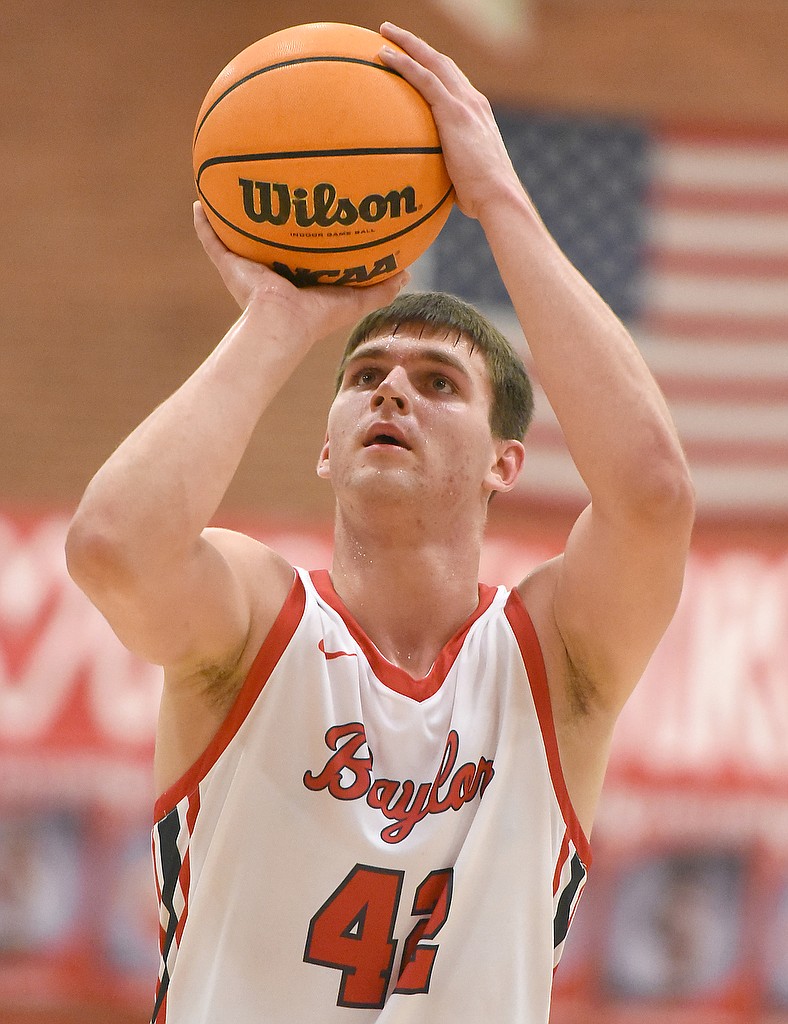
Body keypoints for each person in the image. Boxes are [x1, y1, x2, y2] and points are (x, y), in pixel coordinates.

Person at [65, 22, 695, 1024]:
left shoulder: (555, 660)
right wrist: (276, 322)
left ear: (504, 462)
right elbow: (111, 547)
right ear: (326, 447)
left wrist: (494, 198)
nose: (390, 390)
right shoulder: (254, 622)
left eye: (436, 383)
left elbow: (652, 492)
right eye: (363, 377)